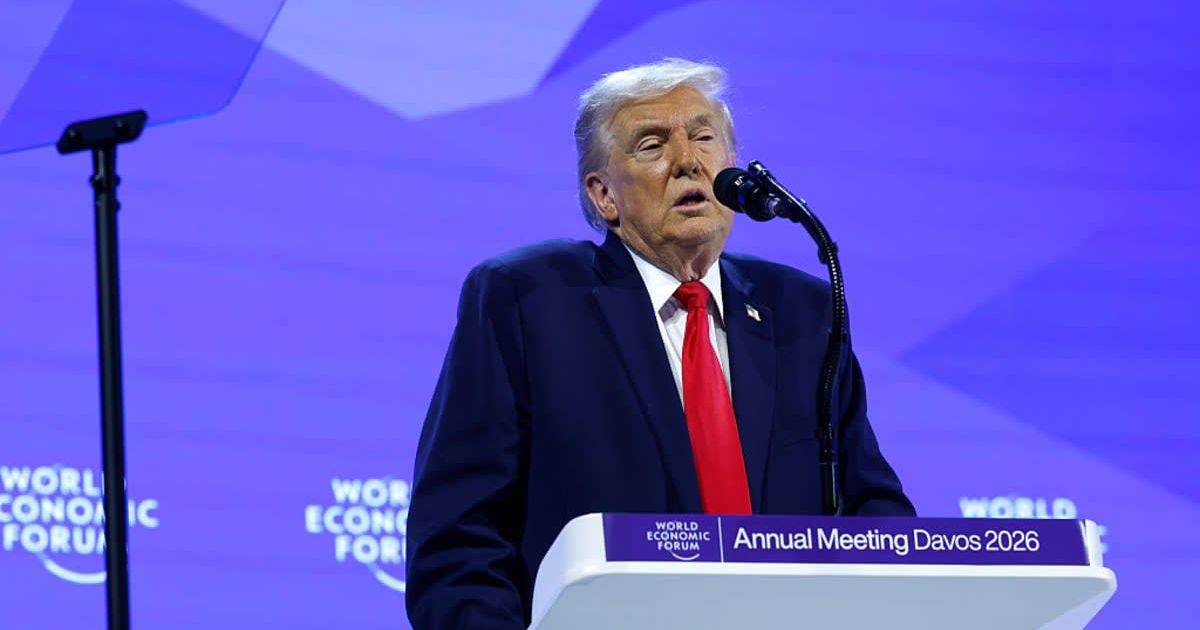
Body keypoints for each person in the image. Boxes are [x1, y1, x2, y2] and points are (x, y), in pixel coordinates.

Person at [404, 58, 914, 629]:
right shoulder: (528, 300)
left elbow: (873, 511)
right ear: (604, 195)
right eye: (652, 145)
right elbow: (459, 540)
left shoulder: (803, 310)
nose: (688, 161)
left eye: (704, 137)